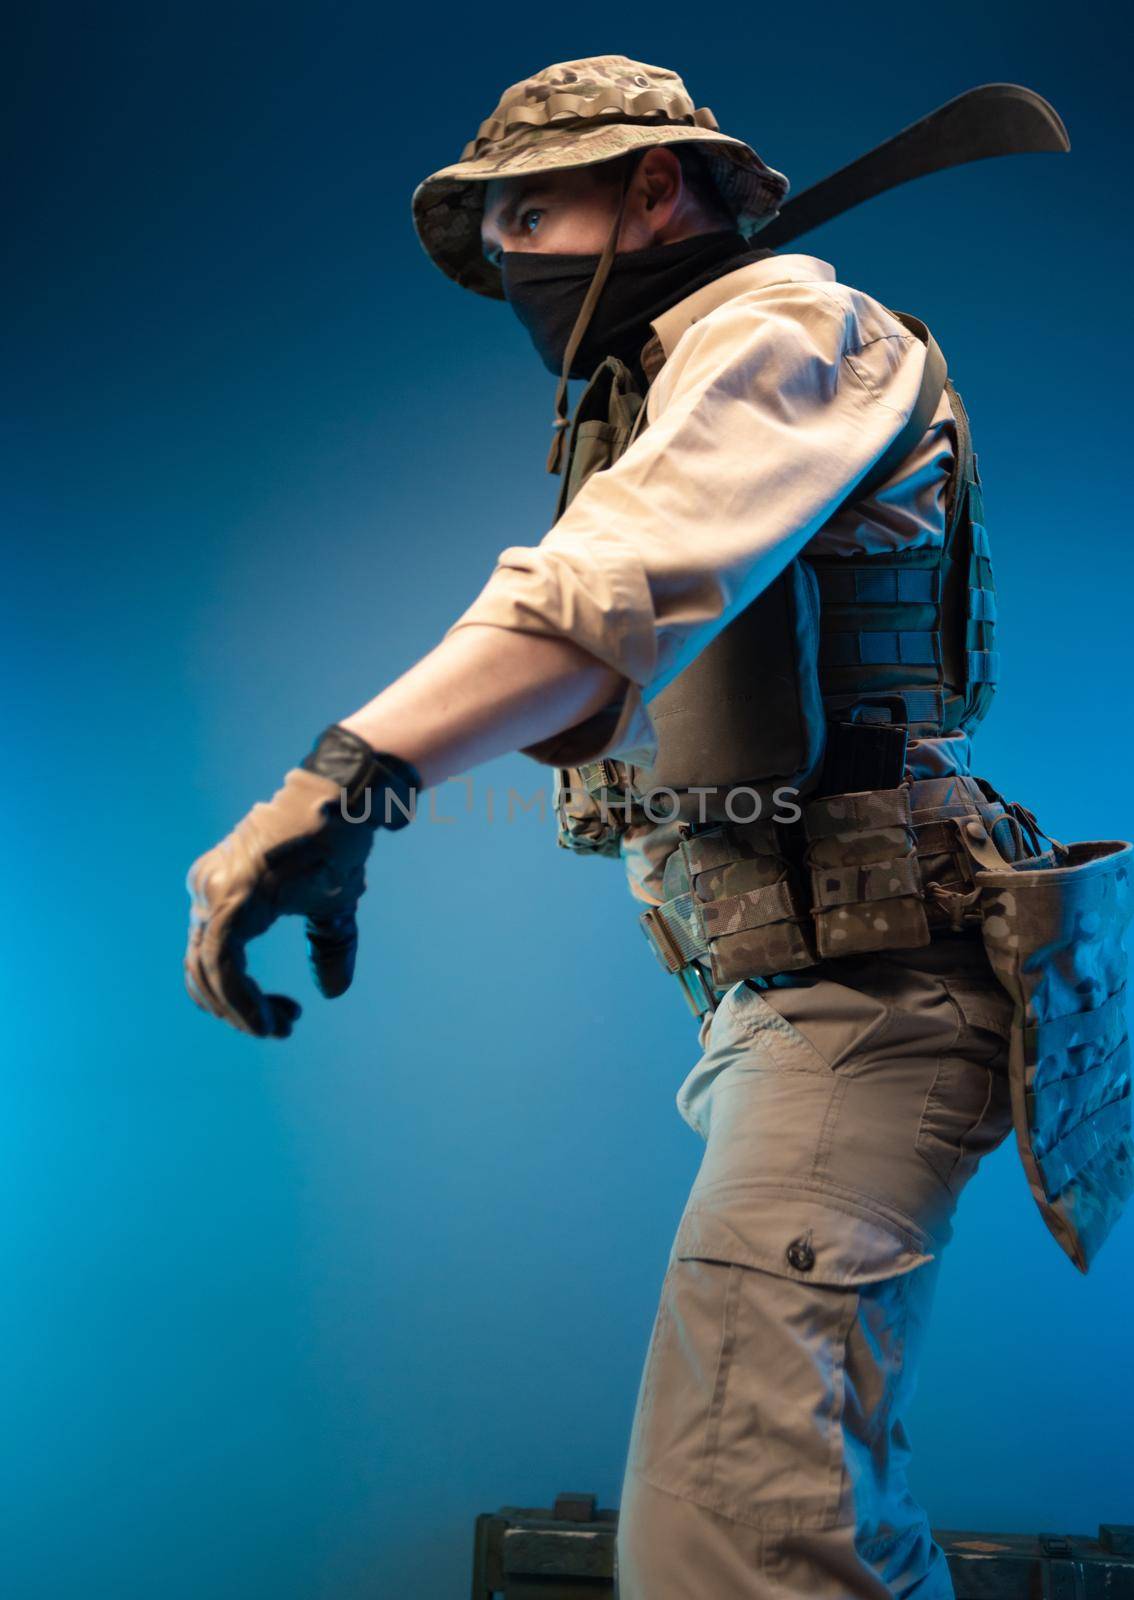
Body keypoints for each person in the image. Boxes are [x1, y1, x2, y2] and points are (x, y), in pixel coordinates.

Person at [183, 56, 1133, 1599]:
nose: (511, 258)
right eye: (491, 232)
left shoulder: (781, 330)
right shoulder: (674, 382)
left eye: (538, 213)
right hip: (784, 1014)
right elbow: (608, 680)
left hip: (872, 1007)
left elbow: (600, 594)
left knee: (745, 1535)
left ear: (653, 190)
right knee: (762, 1518)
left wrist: (339, 785)